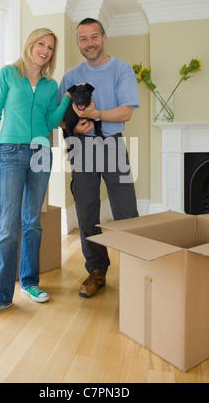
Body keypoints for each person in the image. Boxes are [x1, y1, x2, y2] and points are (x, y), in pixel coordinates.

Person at [0, 28, 71, 319]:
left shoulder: (51, 85)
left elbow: (51, 121)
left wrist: (63, 101)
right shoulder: (8, 74)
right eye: (41, 43)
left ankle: (29, 282)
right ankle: (0, 296)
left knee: (33, 221)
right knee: (8, 224)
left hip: (41, 152)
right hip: (10, 152)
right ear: (30, 44)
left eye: (51, 48)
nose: (45, 50)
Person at [59, 18, 140, 298]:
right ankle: (96, 271)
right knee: (87, 212)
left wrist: (96, 115)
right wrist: (73, 127)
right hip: (81, 147)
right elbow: (60, 117)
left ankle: (136, 268)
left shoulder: (122, 69)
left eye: (94, 37)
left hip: (112, 144)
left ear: (104, 38)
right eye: (83, 39)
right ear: (78, 42)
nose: (89, 43)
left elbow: (126, 111)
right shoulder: (71, 76)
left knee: (126, 211)